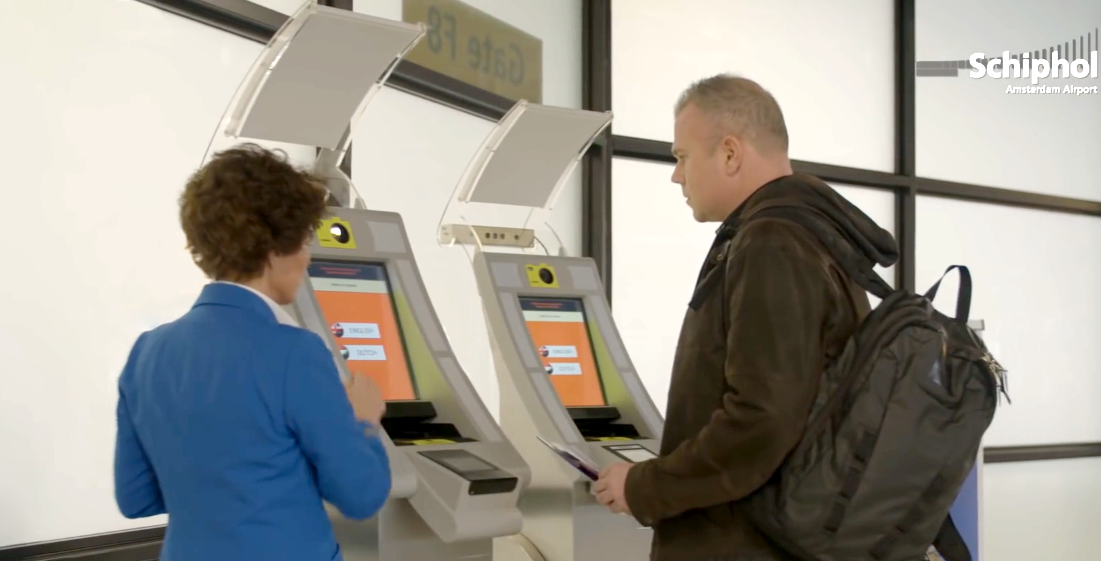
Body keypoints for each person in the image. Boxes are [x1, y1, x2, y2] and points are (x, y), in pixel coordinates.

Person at [592, 74, 898, 560]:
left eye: (682, 157)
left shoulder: (773, 242)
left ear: (730, 154)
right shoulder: (811, 235)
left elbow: (761, 420)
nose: (677, 175)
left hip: (746, 543)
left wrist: (645, 486)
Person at [113, 144, 392, 561]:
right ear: (274, 250)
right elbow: (360, 496)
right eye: (302, 240)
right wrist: (365, 422)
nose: (308, 254)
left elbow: (135, 497)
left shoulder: (147, 353)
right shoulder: (295, 353)